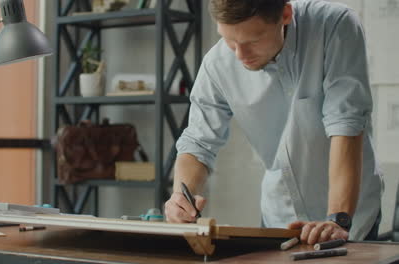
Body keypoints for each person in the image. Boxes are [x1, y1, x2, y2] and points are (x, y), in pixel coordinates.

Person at [164, 0, 383, 244]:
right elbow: (197, 142)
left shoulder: (335, 26)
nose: (239, 55)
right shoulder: (217, 63)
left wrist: (337, 220)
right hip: (280, 218)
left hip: (349, 216)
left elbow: (346, 123)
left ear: (285, 15)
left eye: (252, 41)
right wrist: (179, 198)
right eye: (229, 40)